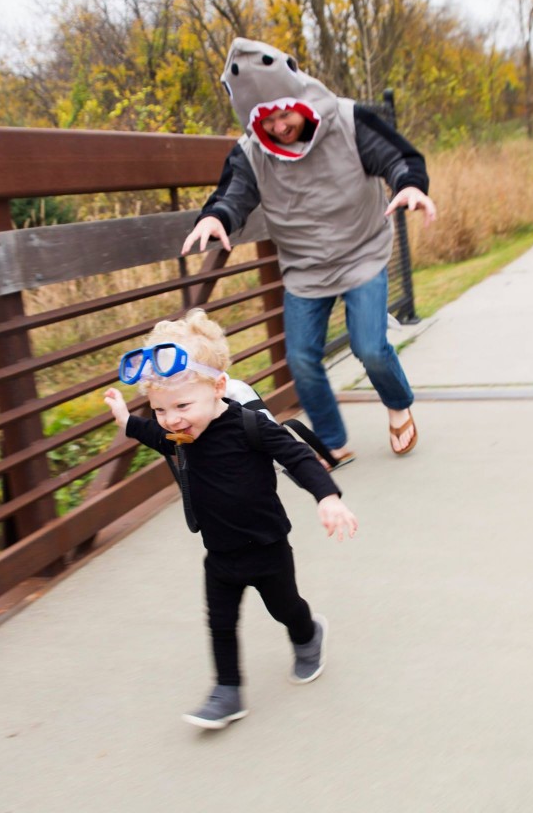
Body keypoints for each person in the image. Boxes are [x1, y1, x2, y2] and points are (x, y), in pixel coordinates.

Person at [182, 37, 437, 462]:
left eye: (285, 114)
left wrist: (409, 185)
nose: (280, 128)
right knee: (301, 358)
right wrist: (215, 217)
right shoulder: (252, 151)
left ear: (298, 97)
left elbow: (399, 157)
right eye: (268, 123)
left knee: (370, 347)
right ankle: (332, 439)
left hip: (362, 253)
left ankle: (397, 403)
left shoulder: (348, 119)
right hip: (305, 267)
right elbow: (233, 193)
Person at [104, 308, 358, 731]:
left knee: (285, 608)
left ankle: (307, 633)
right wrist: (128, 420)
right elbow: (156, 438)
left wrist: (327, 496)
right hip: (219, 553)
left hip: (266, 546)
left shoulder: (249, 426)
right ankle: (226, 691)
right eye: (160, 409)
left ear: (219, 388)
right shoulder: (182, 432)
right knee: (220, 622)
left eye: (182, 406)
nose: (172, 420)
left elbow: (297, 455)